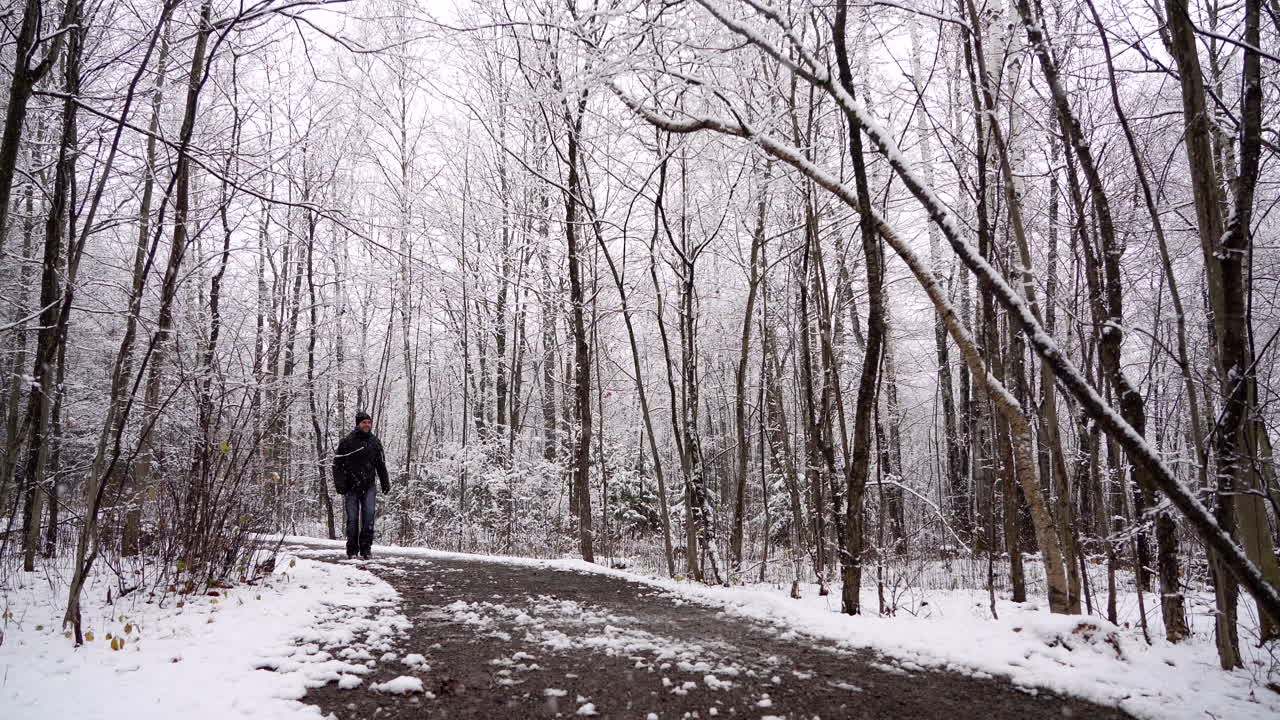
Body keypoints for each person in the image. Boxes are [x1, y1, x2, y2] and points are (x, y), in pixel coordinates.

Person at [332, 410, 390, 559]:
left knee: (369, 518)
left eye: (369, 422)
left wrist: (385, 482)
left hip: (369, 486)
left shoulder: (375, 442)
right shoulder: (347, 441)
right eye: (364, 422)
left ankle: (366, 550)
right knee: (352, 520)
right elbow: (337, 464)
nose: (367, 425)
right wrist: (340, 484)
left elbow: (381, 464)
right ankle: (352, 551)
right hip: (351, 487)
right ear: (358, 424)